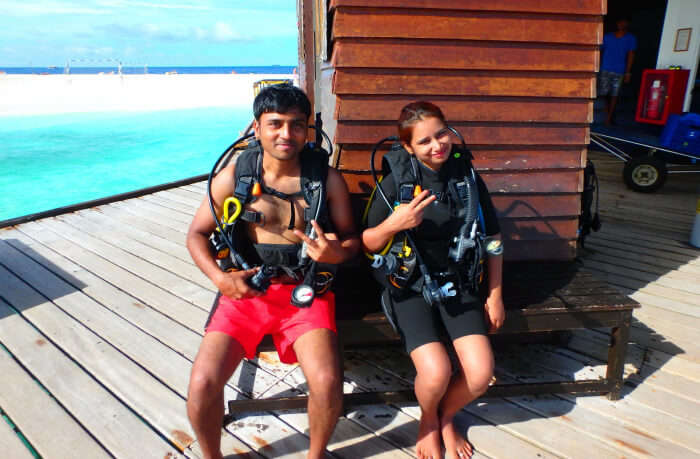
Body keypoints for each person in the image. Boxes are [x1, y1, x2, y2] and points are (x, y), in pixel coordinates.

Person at [186, 84, 360, 459]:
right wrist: (221, 279)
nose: (286, 134)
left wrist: (335, 252)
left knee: (328, 382)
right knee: (202, 383)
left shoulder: (326, 180)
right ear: (257, 127)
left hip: (306, 293)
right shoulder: (236, 177)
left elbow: (352, 240)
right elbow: (196, 235)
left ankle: (316, 455)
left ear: (307, 131)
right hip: (246, 290)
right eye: (275, 123)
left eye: (296, 125)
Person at [362, 102, 504, 459]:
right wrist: (395, 223)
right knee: (437, 371)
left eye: (441, 134)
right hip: (408, 287)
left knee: (480, 373)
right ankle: (429, 420)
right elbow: (366, 242)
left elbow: (495, 239)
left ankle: (447, 416)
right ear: (408, 147)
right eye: (424, 141)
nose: (437, 145)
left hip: (459, 282)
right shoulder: (397, 182)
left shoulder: (466, 177)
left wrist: (495, 294)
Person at [599, 17, 637, 125]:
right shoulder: (607, 37)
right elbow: (600, 51)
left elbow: (631, 55)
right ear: (617, 24)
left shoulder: (631, 38)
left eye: (624, 22)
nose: (622, 25)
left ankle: (609, 118)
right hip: (605, 68)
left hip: (619, 70)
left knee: (615, 94)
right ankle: (607, 113)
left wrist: (628, 72)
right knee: (604, 93)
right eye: (620, 22)